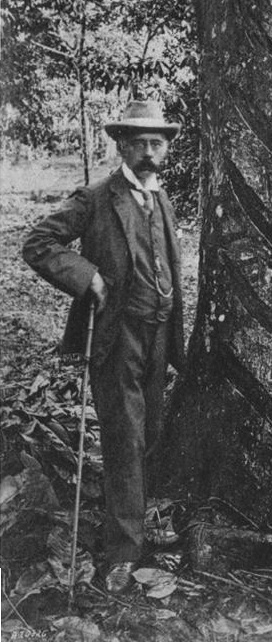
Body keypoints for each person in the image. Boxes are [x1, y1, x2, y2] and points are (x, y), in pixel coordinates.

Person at [23, 100, 185, 593]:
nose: (149, 152)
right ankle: (123, 549)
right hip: (117, 333)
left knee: (152, 428)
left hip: (160, 332)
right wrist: (86, 276)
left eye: (157, 143)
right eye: (139, 143)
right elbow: (39, 242)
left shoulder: (162, 200)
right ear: (121, 145)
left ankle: (143, 519)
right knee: (124, 435)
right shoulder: (95, 198)